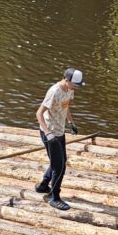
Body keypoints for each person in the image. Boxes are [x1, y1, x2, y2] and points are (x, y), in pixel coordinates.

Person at [35, 68, 84, 211]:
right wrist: (48, 134)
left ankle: (43, 185)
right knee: (60, 166)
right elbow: (39, 114)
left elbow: (66, 106)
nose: (76, 87)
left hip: (60, 131)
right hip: (50, 133)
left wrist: (71, 123)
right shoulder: (54, 91)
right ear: (66, 79)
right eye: (75, 84)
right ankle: (54, 197)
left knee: (59, 161)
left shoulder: (70, 89)